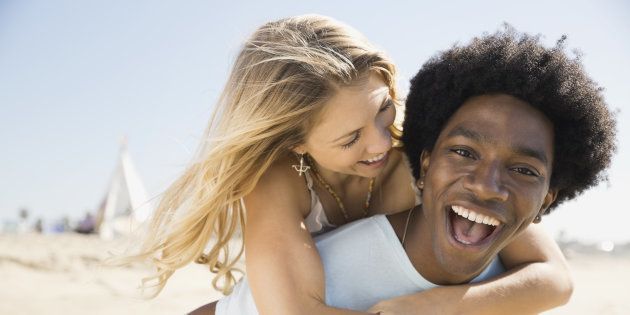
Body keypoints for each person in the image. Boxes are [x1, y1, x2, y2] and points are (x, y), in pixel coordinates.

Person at [131, 15, 574, 314]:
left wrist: (441, 304)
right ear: (297, 143)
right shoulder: (274, 181)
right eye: (350, 138)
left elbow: (554, 278)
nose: (383, 142)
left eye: (383, 110)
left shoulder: (423, 154)